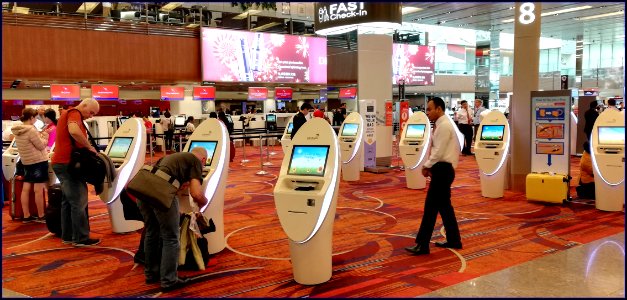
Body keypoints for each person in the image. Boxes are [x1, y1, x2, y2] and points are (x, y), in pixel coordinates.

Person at [138, 147, 209, 292]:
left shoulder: (174, 157)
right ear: (203, 160)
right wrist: (204, 202)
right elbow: (196, 194)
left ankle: (151, 274)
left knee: (152, 232)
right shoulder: (195, 162)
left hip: (143, 190)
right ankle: (169, 280)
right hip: (160, 193)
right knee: (171, 237)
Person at [405, 97, 462, 255]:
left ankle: (422, 244)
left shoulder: (444, 126)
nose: (427, 112)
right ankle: (454, 239)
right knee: (445, 208)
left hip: (443, 170)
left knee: (430, 208)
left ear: (439, 109)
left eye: (430, 109)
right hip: (443, 170)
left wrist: (426, 165)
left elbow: (439, 151)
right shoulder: (442, 124)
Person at [51, 98, 101, 246]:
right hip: (69, 164)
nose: (91, 116)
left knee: (68, 201)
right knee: (79, 201)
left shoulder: (66, 113)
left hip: (61, 162)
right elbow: (74, 131)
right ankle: (81, 238)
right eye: (91, 112)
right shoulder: (74, 113)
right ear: (84, 105)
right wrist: (89, 146)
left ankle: (68, 236)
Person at [11, 108, 49, 223]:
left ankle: (26, 216)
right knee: (38, 189)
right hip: (38, 161)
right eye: (35, 118)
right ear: (31, 118)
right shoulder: (31, 130)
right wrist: (45, 137)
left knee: (26, 189)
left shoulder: (18, 130)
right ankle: (41, 215)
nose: (35, 120)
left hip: (26, 161)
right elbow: (41, 146)